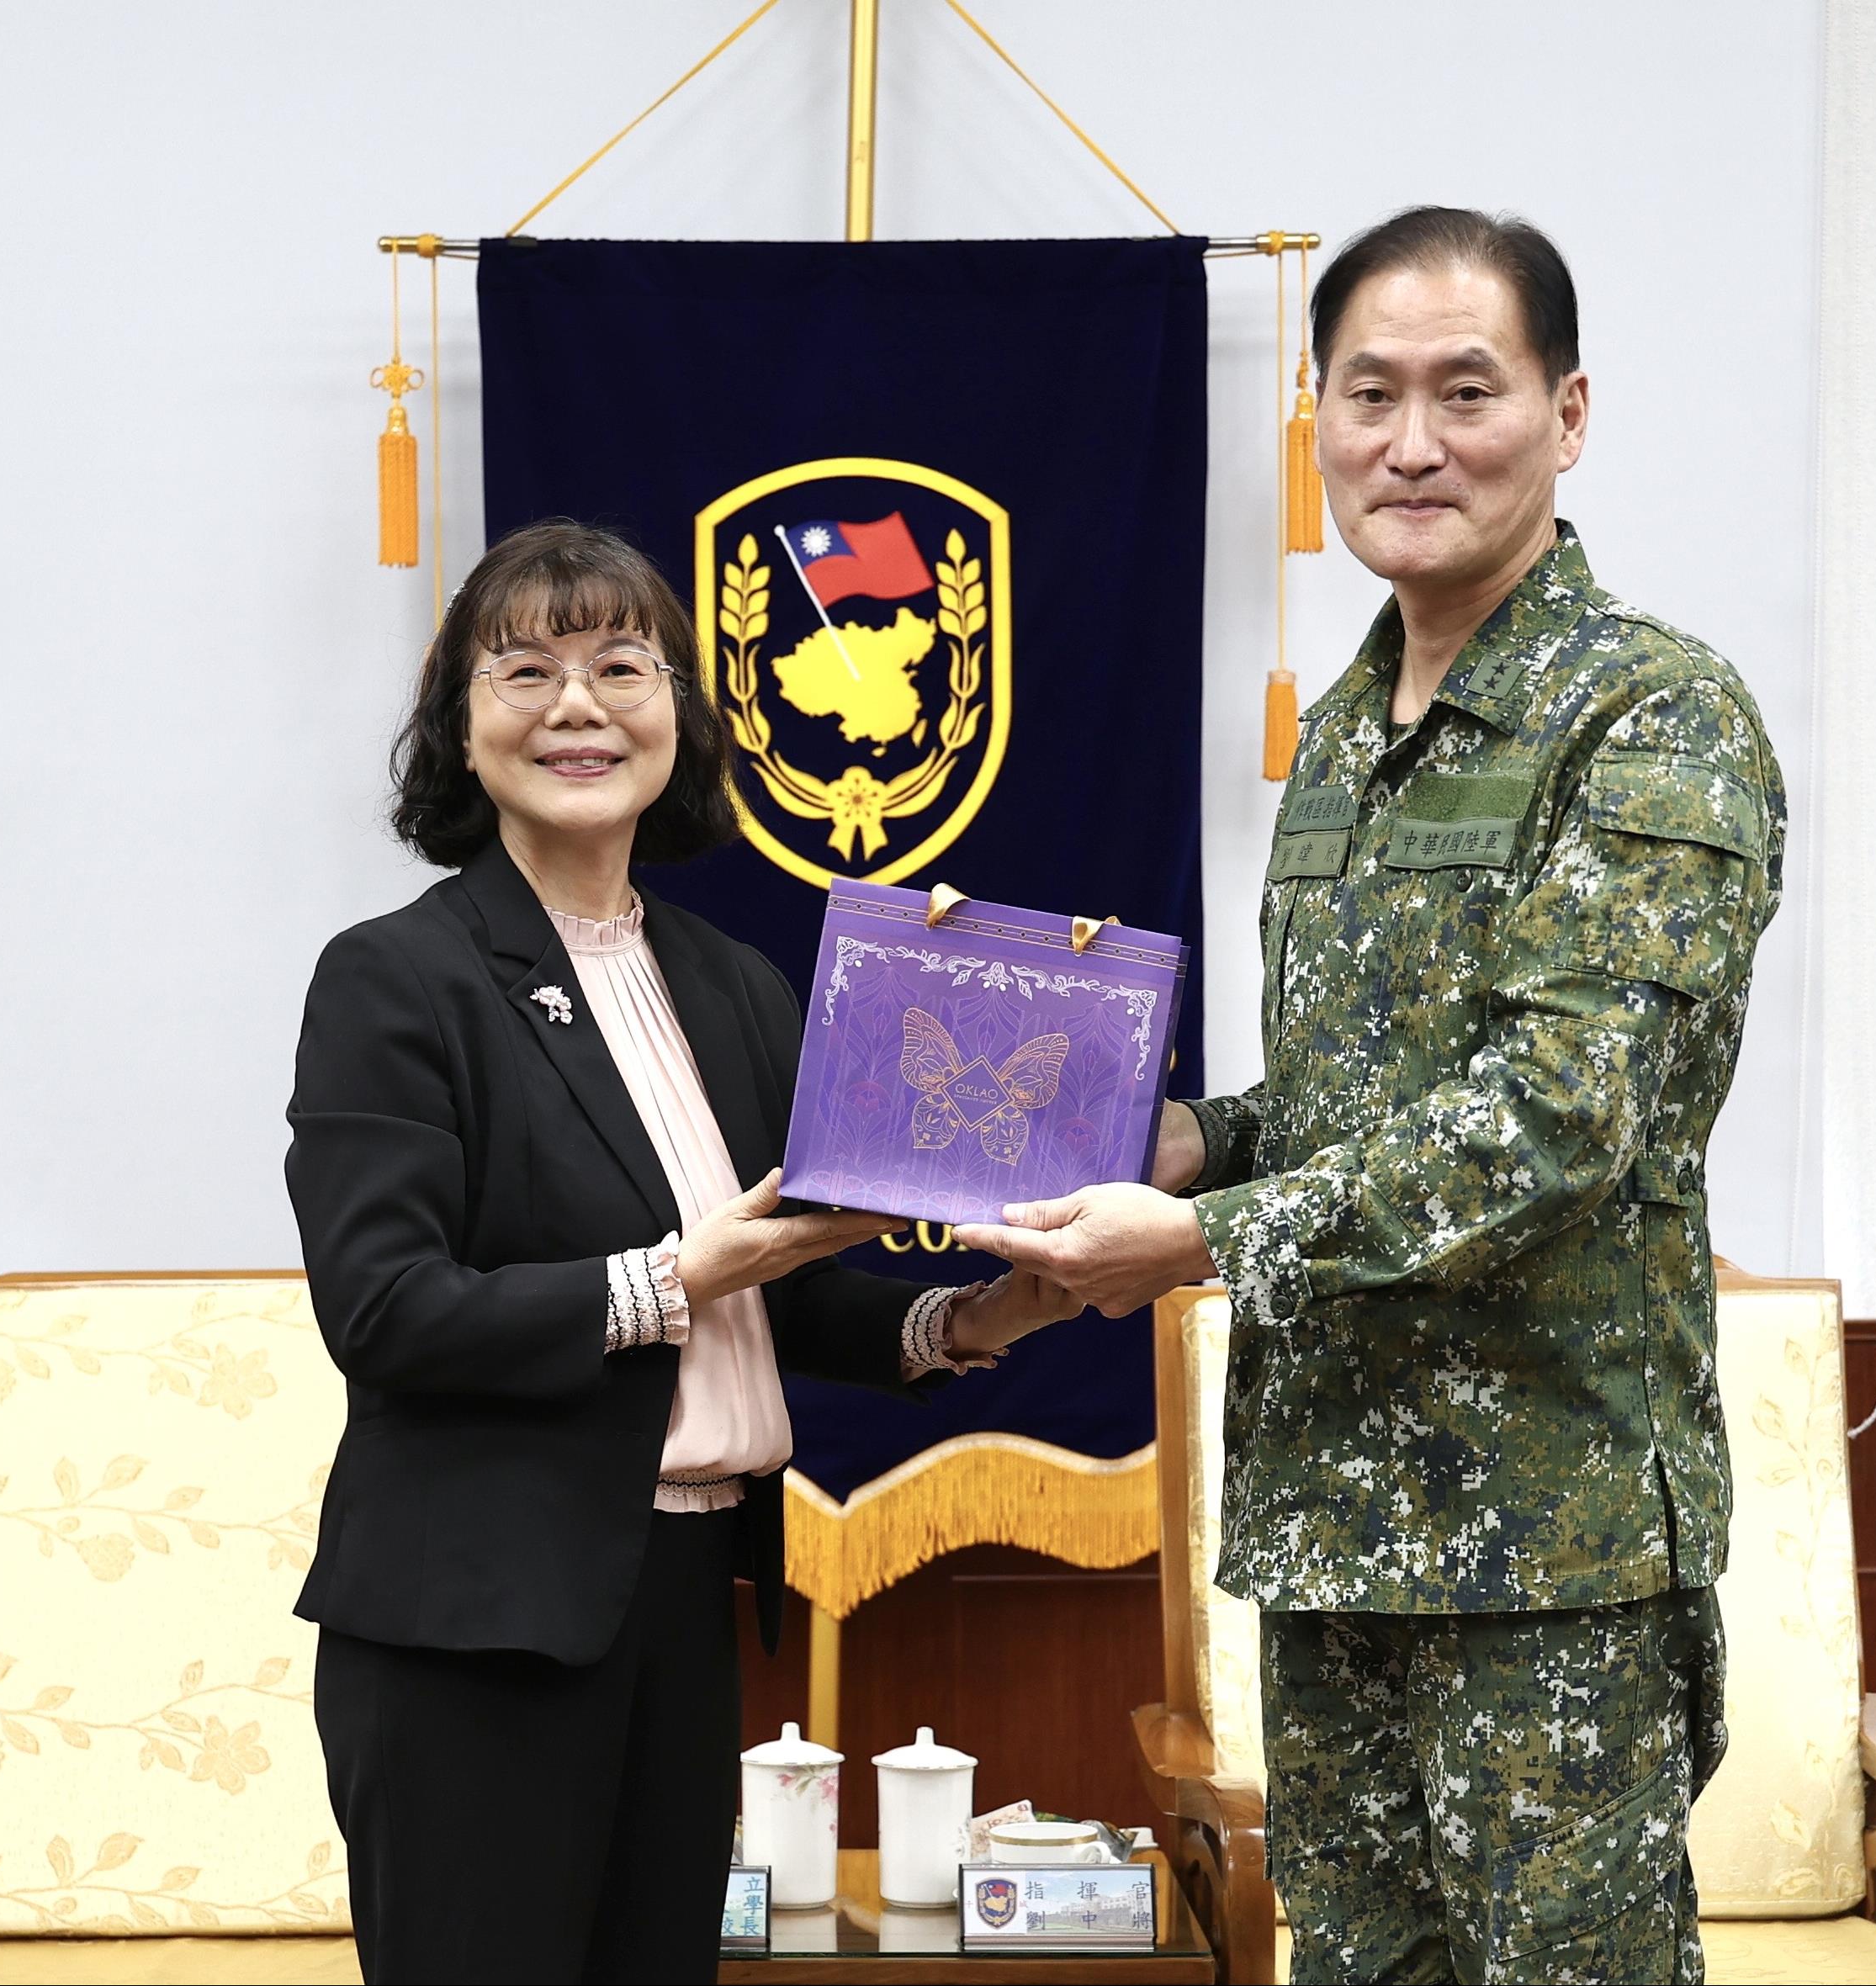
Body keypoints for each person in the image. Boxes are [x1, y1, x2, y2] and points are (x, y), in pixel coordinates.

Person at [958, 208, 1785, 1984]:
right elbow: (1362, 1091)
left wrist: (1196, 1231)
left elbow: (1563, 1116)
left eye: (1465, 391)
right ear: (1316, 422)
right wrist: (1185, 1137)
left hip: (1543, 1551)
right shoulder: (1340, 734)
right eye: (1368, 393)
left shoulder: (1650, 715)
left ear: (1565, 416)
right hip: (1335, 1522)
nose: (1411, 443)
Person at [287, 518, 1077, 1985]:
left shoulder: (737, 983)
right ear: (461, 727)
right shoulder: (394, 979)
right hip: (478, 1625)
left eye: (620, 666)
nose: (576, 706)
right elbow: (386, 1309)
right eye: (524, 670)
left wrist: (975, 1320)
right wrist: (670, 1279)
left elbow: (790, 1286)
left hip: (684, 1594)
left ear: (681, 714)